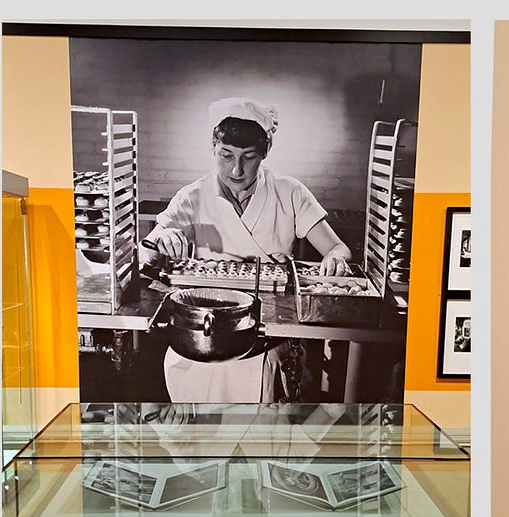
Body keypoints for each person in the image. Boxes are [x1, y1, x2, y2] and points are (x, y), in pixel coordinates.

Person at [142, 97, 353, 403]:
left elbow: (337, 247)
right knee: (205, 439)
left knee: (262, 434)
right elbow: (149, 247)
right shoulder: (193, 196)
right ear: (213, 149)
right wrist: (163, 239)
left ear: (264, 154)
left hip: (269, 335)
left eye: (248, 157)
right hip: (205, 335)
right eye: (226, 156)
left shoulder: (289, 192)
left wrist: (335, 257)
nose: (236, 169)